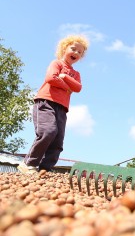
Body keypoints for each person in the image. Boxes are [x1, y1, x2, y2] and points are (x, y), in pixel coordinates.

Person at [18, 35, 89, 174]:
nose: (76, 53)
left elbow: (78, 88)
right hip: (46, 101)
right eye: (73, 49)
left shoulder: (76, 73)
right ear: (64, 48)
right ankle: (29, 163)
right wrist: (67, 87)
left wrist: (64, 77)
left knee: (58, 140)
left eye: (79, 52)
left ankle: (46, 169)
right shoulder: (56, 63)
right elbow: (51, 78)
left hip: (62, 108)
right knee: (48, 131)